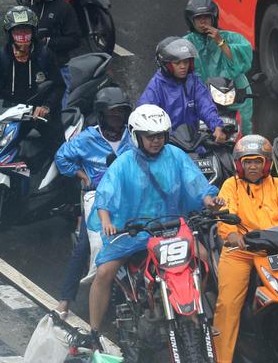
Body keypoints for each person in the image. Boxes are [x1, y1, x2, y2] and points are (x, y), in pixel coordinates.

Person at [81, 104, 220, 349]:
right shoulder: (124, 162)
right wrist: (107, 222)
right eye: (150, 136)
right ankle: (94, 331)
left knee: (205, 259)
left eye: (160, 135)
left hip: (172, 227)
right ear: (136, 136)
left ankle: (202, 313)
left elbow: (197, 185)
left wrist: (211, 201)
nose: (156, 141)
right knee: (104, 272)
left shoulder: (176, 156)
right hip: (134, 232)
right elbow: (105, 196)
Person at [212, 135, 278, 363]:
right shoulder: (230, 185)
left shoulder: (277, 185)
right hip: (241, 251)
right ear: (239, 164)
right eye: (248, 161)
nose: (253, 166)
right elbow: (224, 214)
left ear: (266, 164)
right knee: (228, 304)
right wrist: (231, 234)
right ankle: (222, 358)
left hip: (274, 250)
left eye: (258, 161)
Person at [52, 86, 133, 316]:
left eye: (121, 113)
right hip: (98, 196)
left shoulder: (133, 136)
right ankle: (65, 300)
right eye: (112, 113)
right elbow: (62, 157)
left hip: (129, 194)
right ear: (102, 114)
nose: (117, 119)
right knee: (86, 245)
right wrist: (83, 175)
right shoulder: (88, 138)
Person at [0, 5, 66, 145]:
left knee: (58, 148)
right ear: (10, 34)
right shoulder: (2, 58)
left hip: (37, 115)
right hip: (11, 113)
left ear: (33, 32)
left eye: (26, 31)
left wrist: (46, 107)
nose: (23, 37)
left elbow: (59, 86)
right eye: (18, 32)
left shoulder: (44, 56)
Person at [183, 0, 255, 134]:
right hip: (201, 95)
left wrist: (220, 42)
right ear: (191, 21)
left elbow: (240, 63)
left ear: (213, 18)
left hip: (233, 93)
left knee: (244, 132)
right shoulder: (186, 43)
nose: (203, 21)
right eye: (199, 18)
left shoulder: (231, 37)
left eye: (207, 17)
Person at [139, 36, 226, 142]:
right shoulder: (155, 87)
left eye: (186, 62)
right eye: (177, 63)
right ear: (166, 65)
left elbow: (205, 105)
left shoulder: (193, 81)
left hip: (192, 142)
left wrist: (216, 126)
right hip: (166, 144)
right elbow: (144, 117)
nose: (183, 66)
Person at [17, 0, 81, 104]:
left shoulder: (64, 8)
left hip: (57, 71)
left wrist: (48, 42)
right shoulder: (27, 7)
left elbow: (75, 40)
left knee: (57, 115)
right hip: (31, 71)